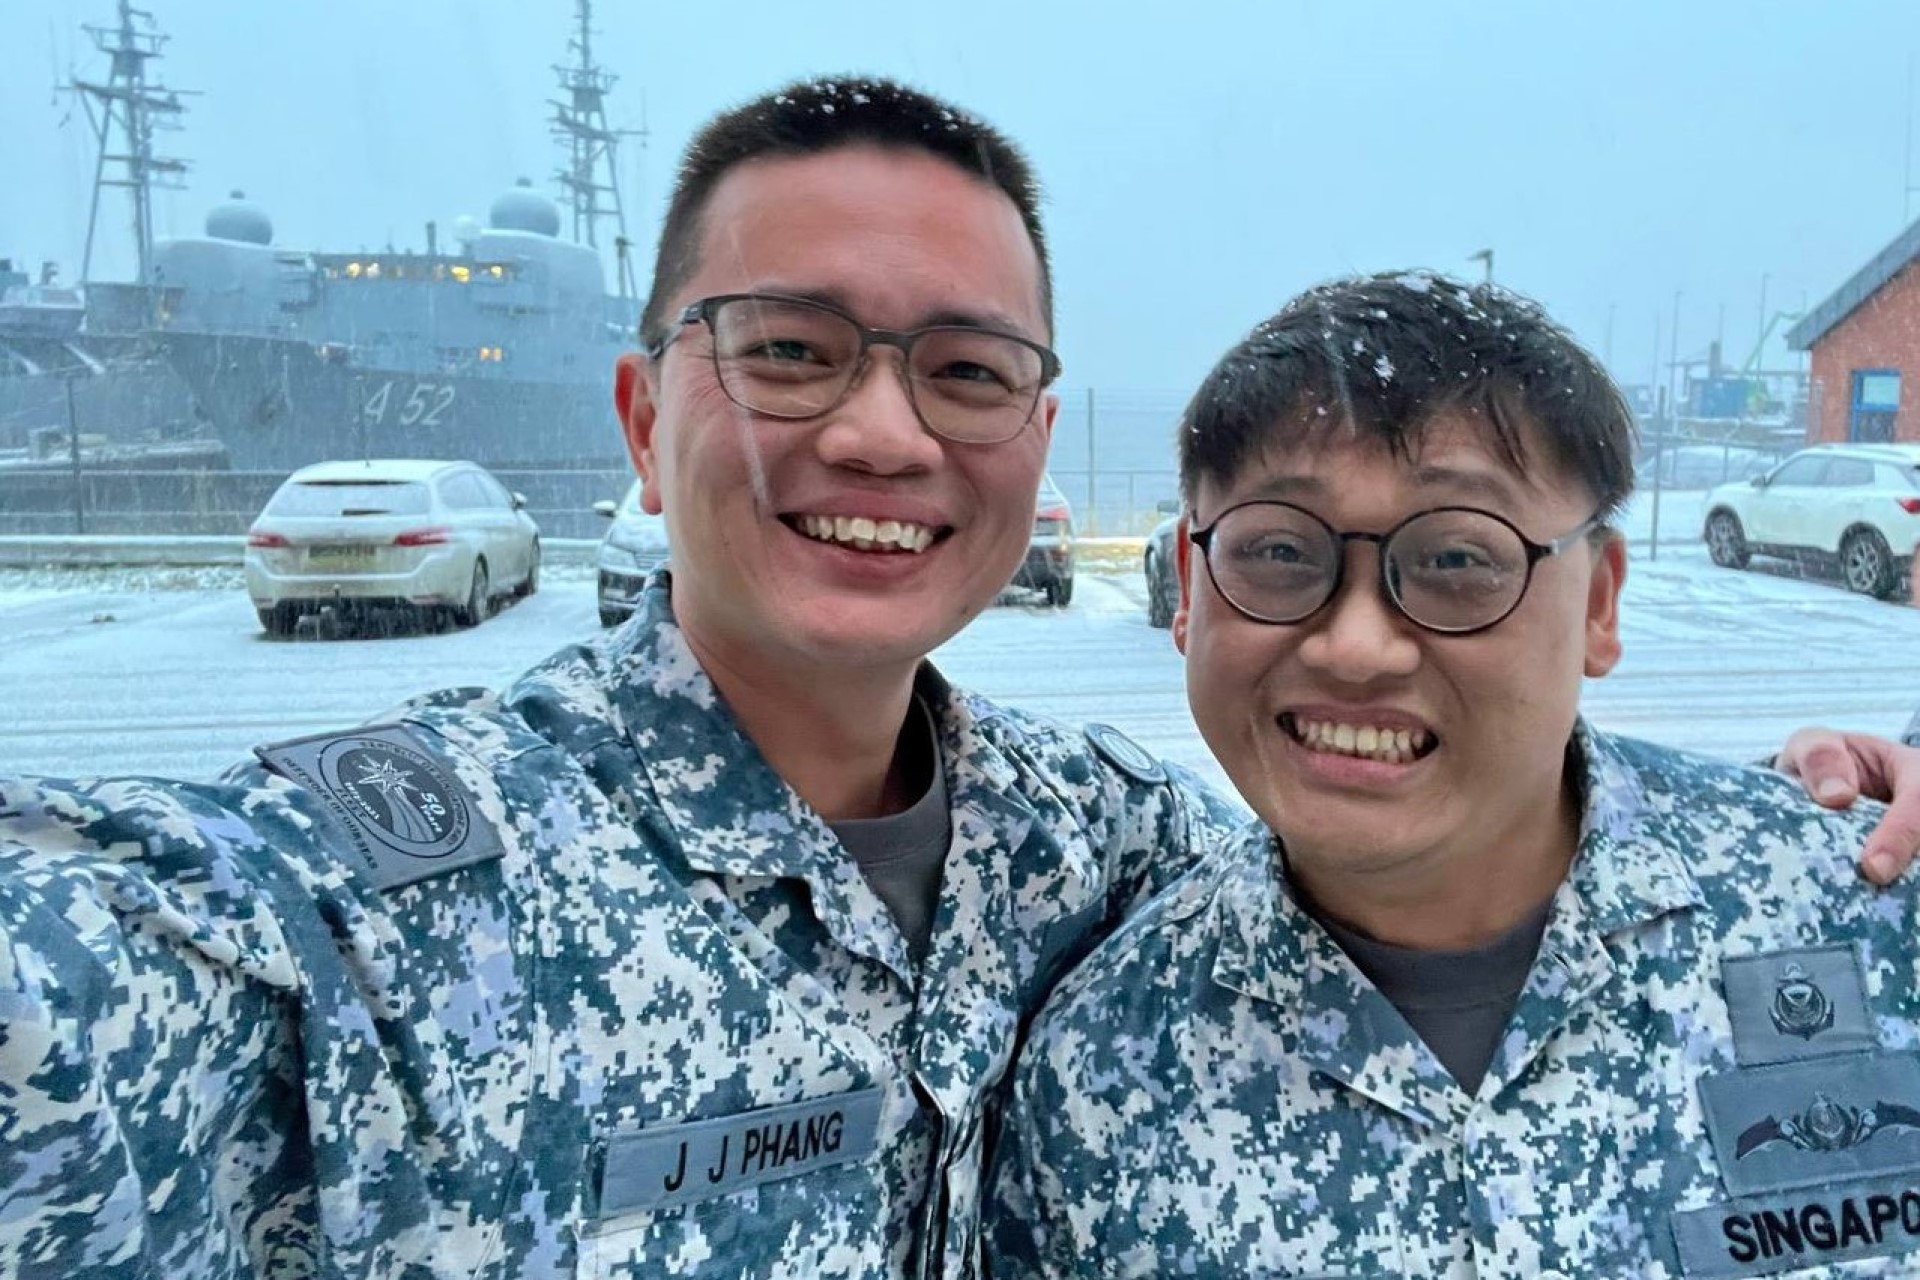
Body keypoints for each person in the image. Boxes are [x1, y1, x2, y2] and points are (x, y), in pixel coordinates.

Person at [0, 83, 1911, 1280]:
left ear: (1037, 441)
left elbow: (1425, 807)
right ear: (642, 419)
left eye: (969, 372)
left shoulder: (1100, 849)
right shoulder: (363, 902)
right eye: (790, 349)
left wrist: (1820, 804)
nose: (885, 433)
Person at [985, 273, 1920, 1278]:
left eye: (1458, 560)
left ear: (1599, 603)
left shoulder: (1863, 915)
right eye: (1279, 550)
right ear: (1188, 583)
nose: (1355, 646)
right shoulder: (1095, 1072)